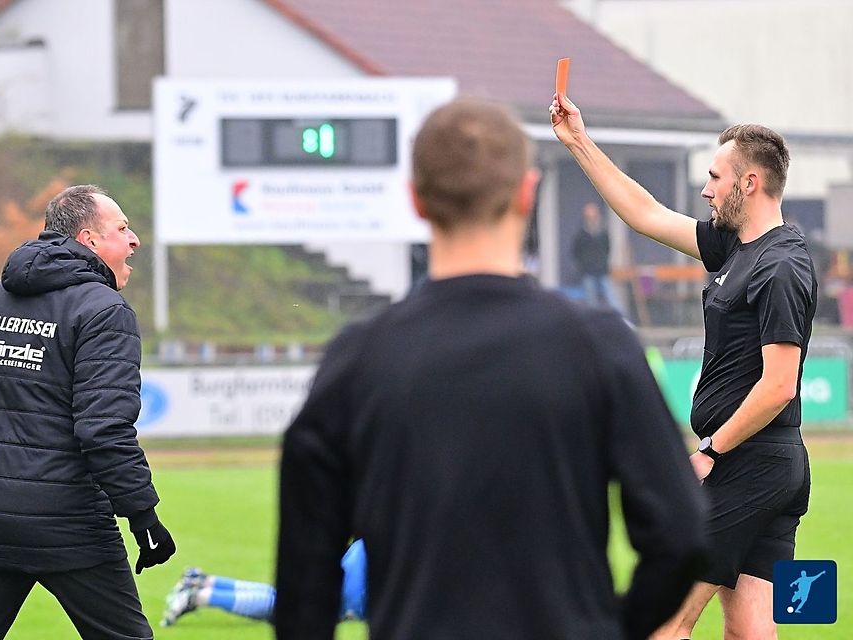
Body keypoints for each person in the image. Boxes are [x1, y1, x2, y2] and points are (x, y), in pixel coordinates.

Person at [275, 97, 707, 640]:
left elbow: (305, 577)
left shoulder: (358, 358)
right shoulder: (599, 347)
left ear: (416, 201)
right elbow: (681, 532)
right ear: (527, 193)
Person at [551, 93, 816, 639]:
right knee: (749, 632)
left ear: (750, 184)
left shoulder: (782, 265)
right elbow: (645, 214)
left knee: (664, 624)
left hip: (747, 466)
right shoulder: (735, 247)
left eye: (716, 177)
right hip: (765, 468)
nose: (705, 189)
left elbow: (779, 386)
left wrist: (711, 451)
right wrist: (579, 140)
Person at [0, 184, 176, 639]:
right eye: (122, 228)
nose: (134, 240)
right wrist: (143, 514)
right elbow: (103, 429)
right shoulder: (104, 310)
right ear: (89, 240)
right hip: (70, 522)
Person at [161, 539, 367, 627]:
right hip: (357, 581)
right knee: (288, 611)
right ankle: (199, 596)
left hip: (352, 559)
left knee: (284, 599)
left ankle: (203, 583)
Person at [571, 201, 623, 313]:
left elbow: (607, 248)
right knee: (590, 300)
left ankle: (620, 318)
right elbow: (576, 251)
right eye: (589, 216)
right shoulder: (581, 235)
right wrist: (582, 264)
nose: (591, 218)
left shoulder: (603, 233)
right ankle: (594, 322)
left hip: (602, 269)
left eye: (593, 216)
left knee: (610, 296)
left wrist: (604, 262)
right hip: (587, 271)